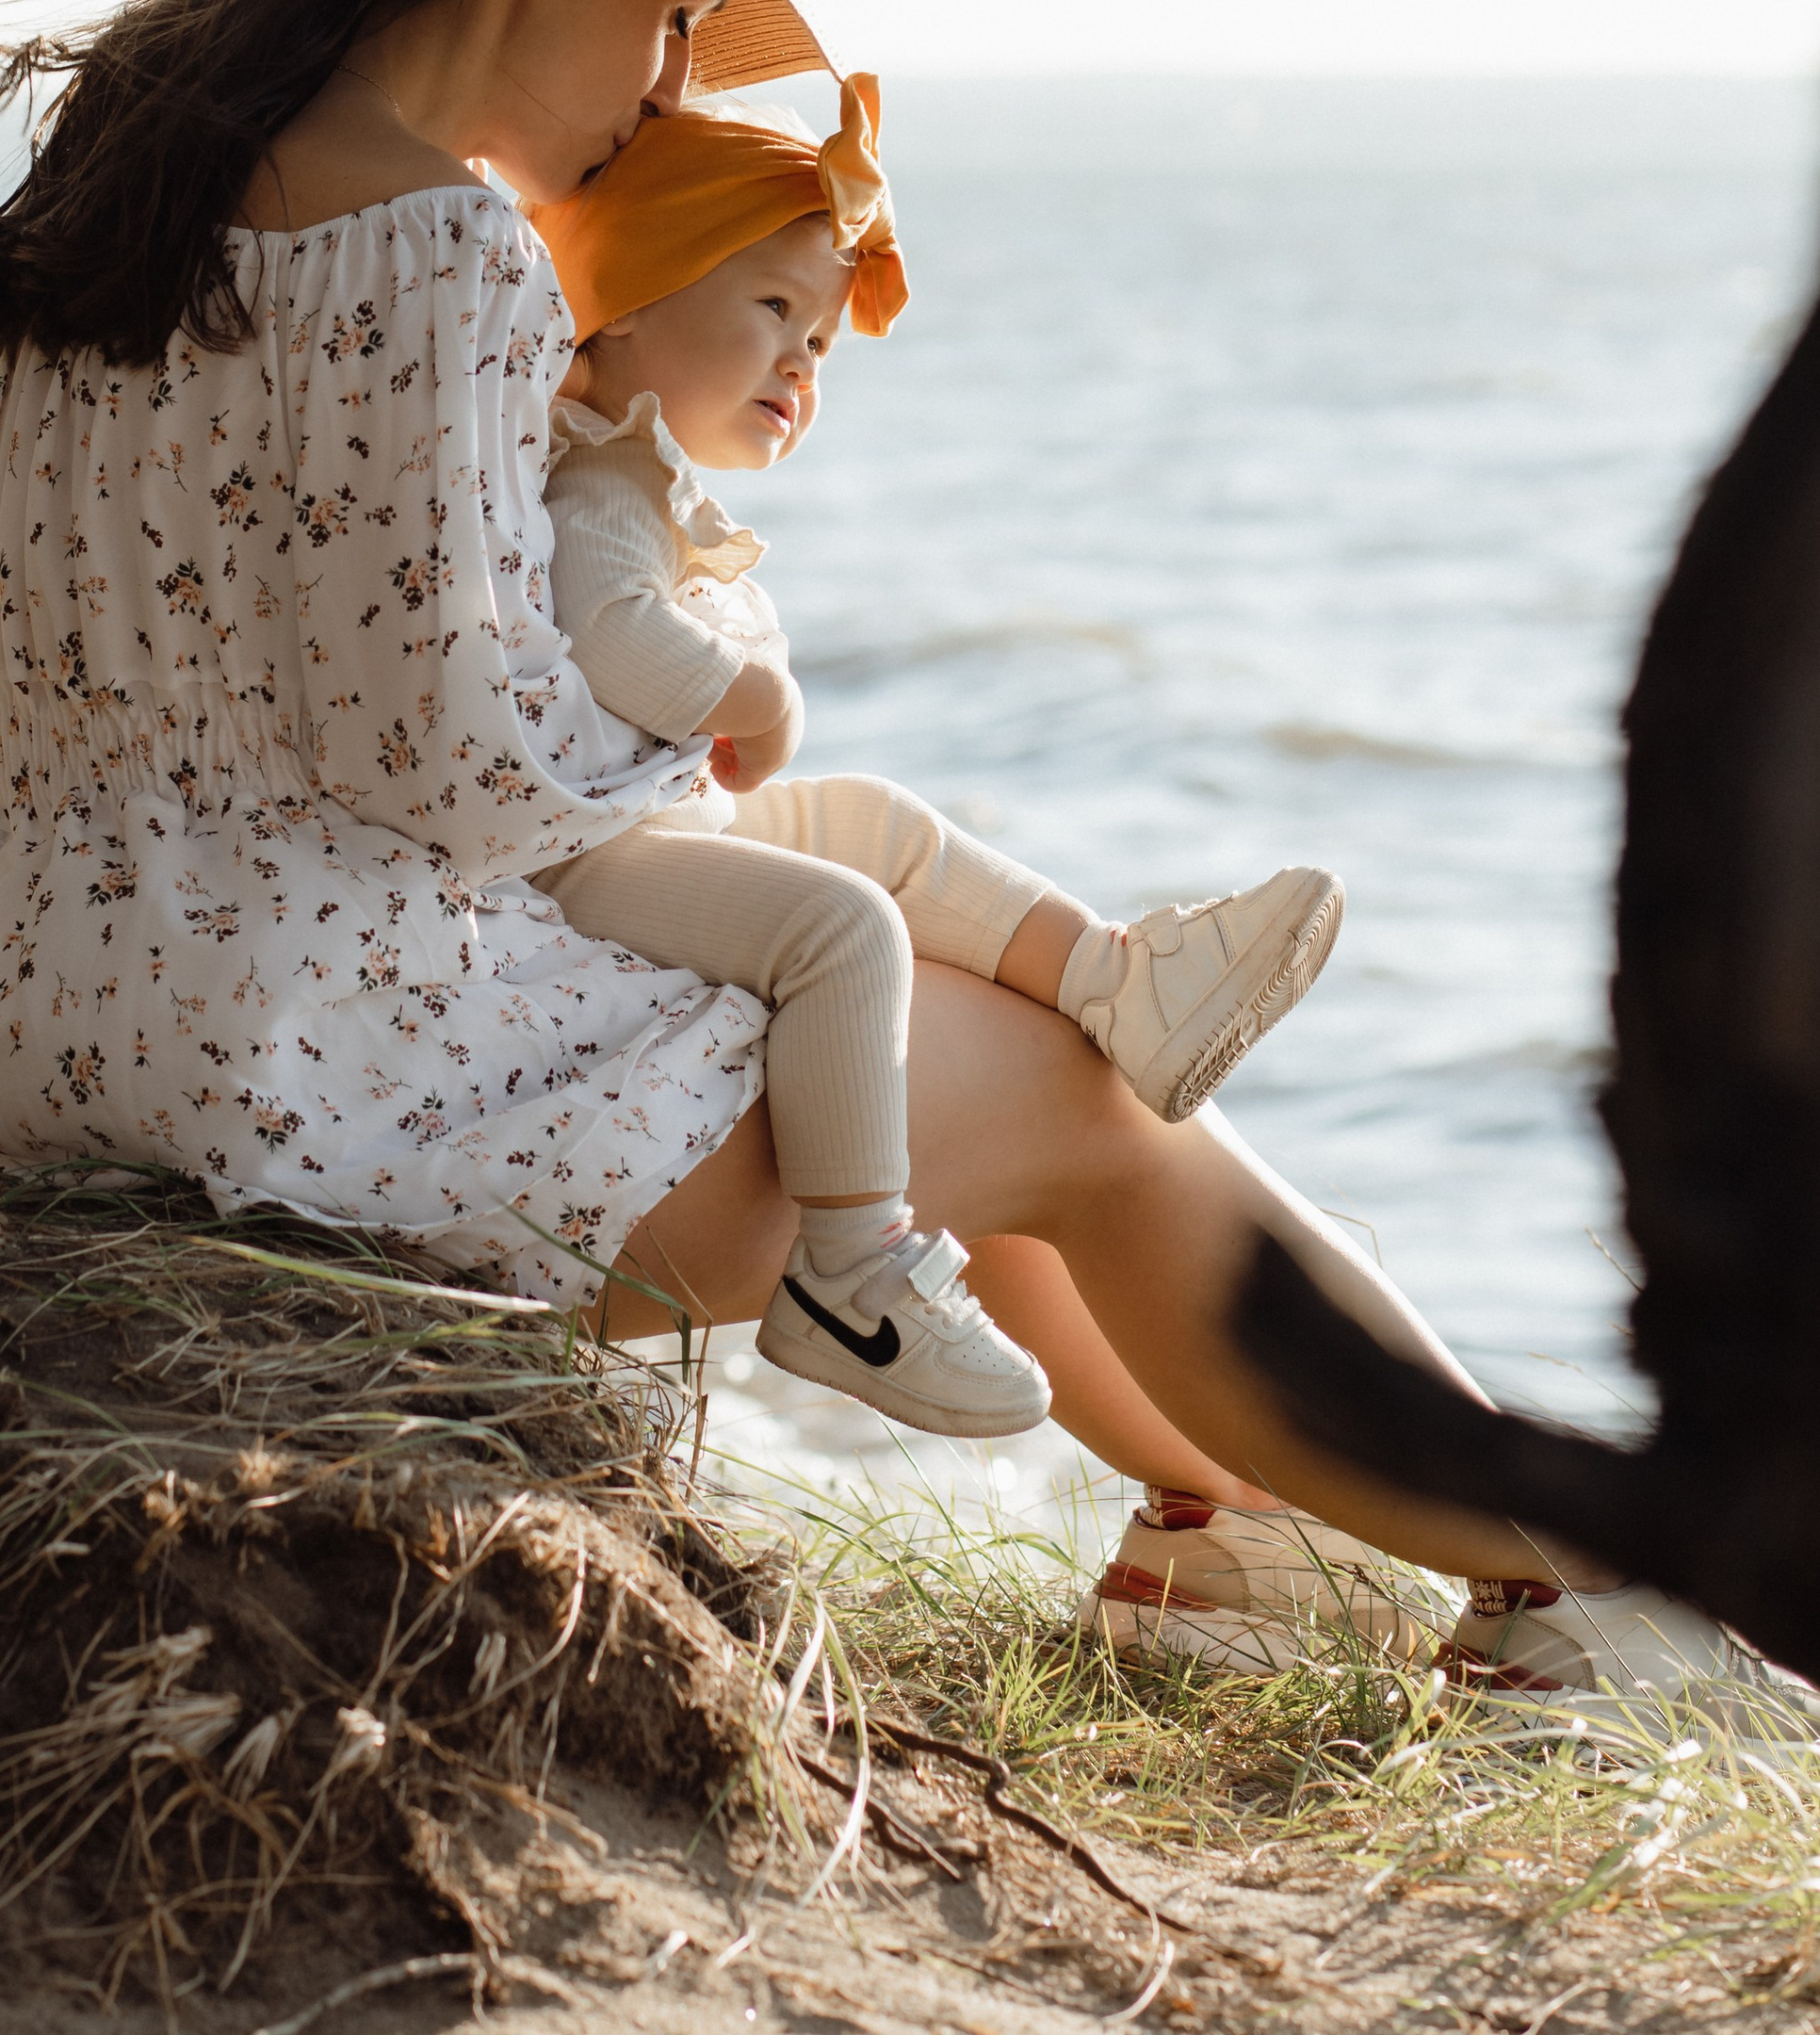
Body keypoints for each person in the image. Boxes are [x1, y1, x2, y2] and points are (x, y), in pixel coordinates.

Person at [0, 0, 1782, 1708]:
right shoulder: (441, 246)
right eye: (678, 14)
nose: (670, 88)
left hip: (27, 992)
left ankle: (1227, 1542)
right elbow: (454, 763)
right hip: (307, 1064)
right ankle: (1588, 1590)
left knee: (960, 1046)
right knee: (1092, 1107)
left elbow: (104, 655)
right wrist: (715, 729)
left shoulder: (120, 181)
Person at [527, 80, 1341, 1443]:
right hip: (580, 860)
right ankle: (852, 1269)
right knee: (840, 926)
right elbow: (614, 635)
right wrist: (755, 697)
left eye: (822, 342)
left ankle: (1116, 980)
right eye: (772, 309)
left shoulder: (640, 478)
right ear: (624, 302)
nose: (803, 364)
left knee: (877, 822)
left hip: (638, 821)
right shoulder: (600, 485)